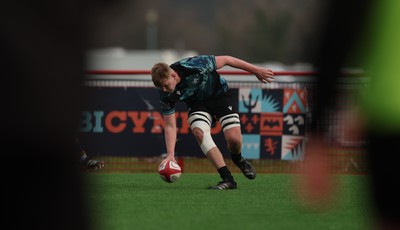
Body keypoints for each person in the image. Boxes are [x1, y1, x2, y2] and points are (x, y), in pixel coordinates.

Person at [151, 55, 274, 189]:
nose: (164, 90)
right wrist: (170, 155)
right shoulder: (165, 95)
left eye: (165, 85)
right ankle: (228, 179)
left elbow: (228, 60)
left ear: (173, 75)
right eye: (160, 87)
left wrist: (255, 70)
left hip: (221, 96)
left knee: (234, 140)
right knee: (199, 132)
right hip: (197, 104)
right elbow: (169, 125)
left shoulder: (194, 64)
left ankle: (238, 159)